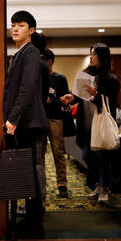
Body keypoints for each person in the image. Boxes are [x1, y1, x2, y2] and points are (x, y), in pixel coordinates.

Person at [3, 10, 48, 235]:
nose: (15, 28)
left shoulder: (30, 53)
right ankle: (31, 221)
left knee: (31, 172)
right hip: (26, 122)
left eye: (20, 25)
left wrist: (13, 118)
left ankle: (34, 224)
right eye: (13, 25)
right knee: (28, 172)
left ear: (31, 30)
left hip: (29, 123)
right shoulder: (20, 53)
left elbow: (27, 89)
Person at [61, 43, 120, 204]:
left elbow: (111, 102)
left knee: (103, 158)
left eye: (94, 54)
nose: (91, 57)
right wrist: (71, 98)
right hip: (86, 123)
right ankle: (98, 185)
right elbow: (80, 96)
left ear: (102, 56)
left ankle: (104, 189)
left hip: (100, 124)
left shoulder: (111, 78)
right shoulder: (86, 75)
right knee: (87, 155)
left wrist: (96, 95)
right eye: (90, 54)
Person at [41, 49, 70, 198]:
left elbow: (66, 101)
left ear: (50, 61)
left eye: (43, 60)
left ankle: (62, 185)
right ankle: (41, 185)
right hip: (39, 118)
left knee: (58, 152)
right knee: (40, 154)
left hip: (55, 118)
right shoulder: (37, 78)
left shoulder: (60, 79)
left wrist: (52, 100)